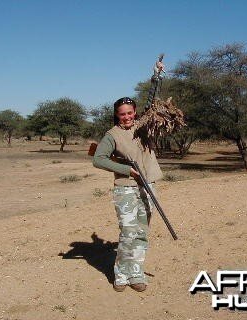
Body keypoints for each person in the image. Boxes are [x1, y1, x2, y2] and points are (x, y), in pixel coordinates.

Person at [92, 62, 164, 292]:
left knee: (142, 232)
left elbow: (152, 100)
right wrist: (127, 171)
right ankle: (121, 275)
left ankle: (137, 274)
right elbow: (99, 159)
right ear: (116, 115)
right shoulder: (111, 135)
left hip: (148, 185)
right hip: (125, 188)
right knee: (128, 231)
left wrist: (156, 76)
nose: (127, 117)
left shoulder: (143, 126)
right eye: (122, 114)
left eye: (130, 113)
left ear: (135, 112)